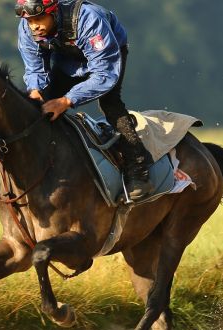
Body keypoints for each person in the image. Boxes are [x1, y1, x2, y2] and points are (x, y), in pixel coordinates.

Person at [15, 0, 153, 200]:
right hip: (68, 60)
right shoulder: (28, 28)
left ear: (53, 12)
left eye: (39, 19)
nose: (34, 26)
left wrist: (67, 100)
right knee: (41, 105)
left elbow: (103, 74)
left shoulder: (89, 19)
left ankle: (139, 171)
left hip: (108, 55)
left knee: (110, 104)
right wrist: (36, 91)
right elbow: (35, 68)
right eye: (29, 21)